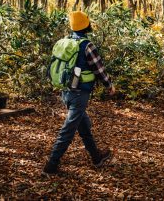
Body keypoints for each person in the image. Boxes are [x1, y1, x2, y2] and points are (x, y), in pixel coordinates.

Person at [43, 11, 115, 174]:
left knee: (83, 126)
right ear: (86, 25)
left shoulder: (65, 42)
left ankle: (96, 157)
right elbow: (99, 69)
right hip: (79, 93)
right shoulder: (87, 46)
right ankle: (51, 165)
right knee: (69, 128)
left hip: (66, 91)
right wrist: (109, 85)